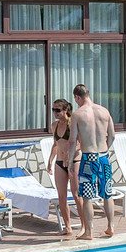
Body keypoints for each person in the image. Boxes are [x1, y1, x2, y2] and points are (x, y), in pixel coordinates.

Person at [67, 83, 115, 240]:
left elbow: (72, 141)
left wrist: (69, 161)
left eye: (76, 100)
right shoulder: (104, 111)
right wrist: (104, 150)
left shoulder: (78, 114)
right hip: (103, 157)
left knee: (87, 197)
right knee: (107, 193)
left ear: (77, 97)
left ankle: (88, 232)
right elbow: (112, 136)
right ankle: (111, 227)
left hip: (89, 158)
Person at [47, 99, 79, 237]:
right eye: (53, 110)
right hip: (59, 162)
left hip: (74, 161)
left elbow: (81, 144)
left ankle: (85, 226)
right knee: (61, 196)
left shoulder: (73, 123)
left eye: (58, 110)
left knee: (76, 195)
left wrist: (70, 157)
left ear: (65, 110)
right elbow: (56, 144)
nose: (55, 113)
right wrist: (50, 161)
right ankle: (68, 227)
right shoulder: (54, 125)